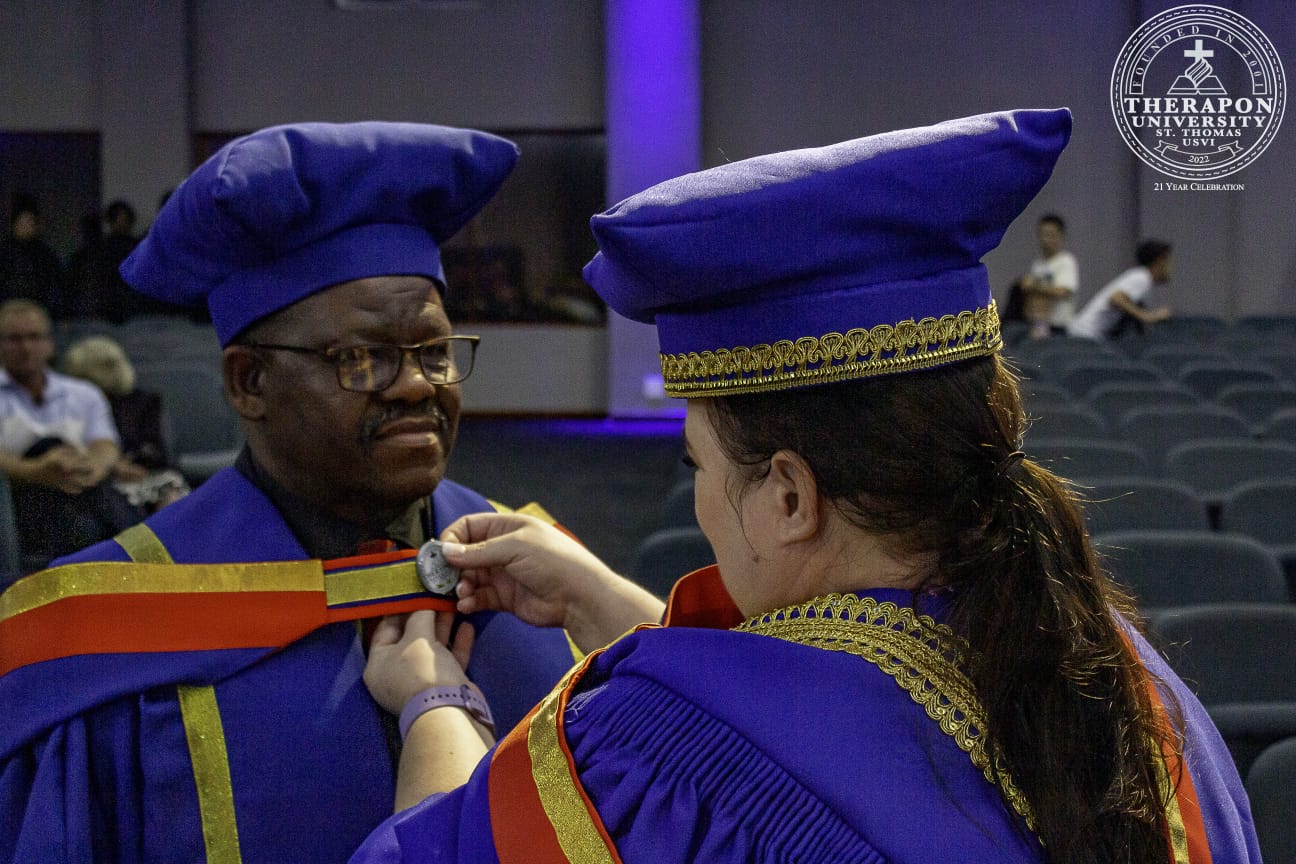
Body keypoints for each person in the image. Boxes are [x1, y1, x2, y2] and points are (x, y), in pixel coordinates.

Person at [352, 110, 1259, 863]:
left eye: (698, 464)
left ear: (789, 496)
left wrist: (435, 701)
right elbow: (847, 713)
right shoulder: (1126, 684)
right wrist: (602, 600)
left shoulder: (648, 760)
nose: (700, 496)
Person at [0, 123, 580, 863]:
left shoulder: (541, 577)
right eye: (361, 358)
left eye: (434, 352)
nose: (416, 385)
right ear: (249, 382)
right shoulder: (102, 630)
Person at [0, 299, 139, 568]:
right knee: (48, 446)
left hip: (83, 489)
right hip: (18, 495)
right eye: (14, 339)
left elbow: (104, 444)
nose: (26, 348)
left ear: (50, 343)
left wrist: (88, 469)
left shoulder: (84, 393)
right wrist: (35, 470)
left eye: (34, 337)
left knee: (83, 500)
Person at [61, 335, 190, 511]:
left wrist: (131, 464)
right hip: (95, 480)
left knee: (171, 485)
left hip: (140, 475)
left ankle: (172, 528)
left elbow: (155, 449)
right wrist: (113, 466)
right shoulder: (69, 405)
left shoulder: (144, 402)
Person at [1067, 239, 1174, 340]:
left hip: (1089, 335)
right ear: (1160, 261)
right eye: (1169, 262)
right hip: (1085, 335)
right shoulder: (1142, 277)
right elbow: (1116, 298)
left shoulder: (1141, 278)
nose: (1170, 268)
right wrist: (1147, 316)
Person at [0, 197, 64, 318]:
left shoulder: (46, 256)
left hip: (39, 316)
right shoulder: (4, 253)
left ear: (36, 225)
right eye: (21, 222)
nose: (25, 227)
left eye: (29, 222)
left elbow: (55, 290)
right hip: (7, 317)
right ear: (13, 224)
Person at [1017, 213, 1079, 339]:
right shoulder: (1038, 264)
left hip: (1059, 328)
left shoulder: (1066, 261)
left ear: (1061, 236)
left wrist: (1034, 285)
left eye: (1051, 235)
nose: (1046, 240)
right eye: (1043, 234)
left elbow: (1063, 291)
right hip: (1039, 324)